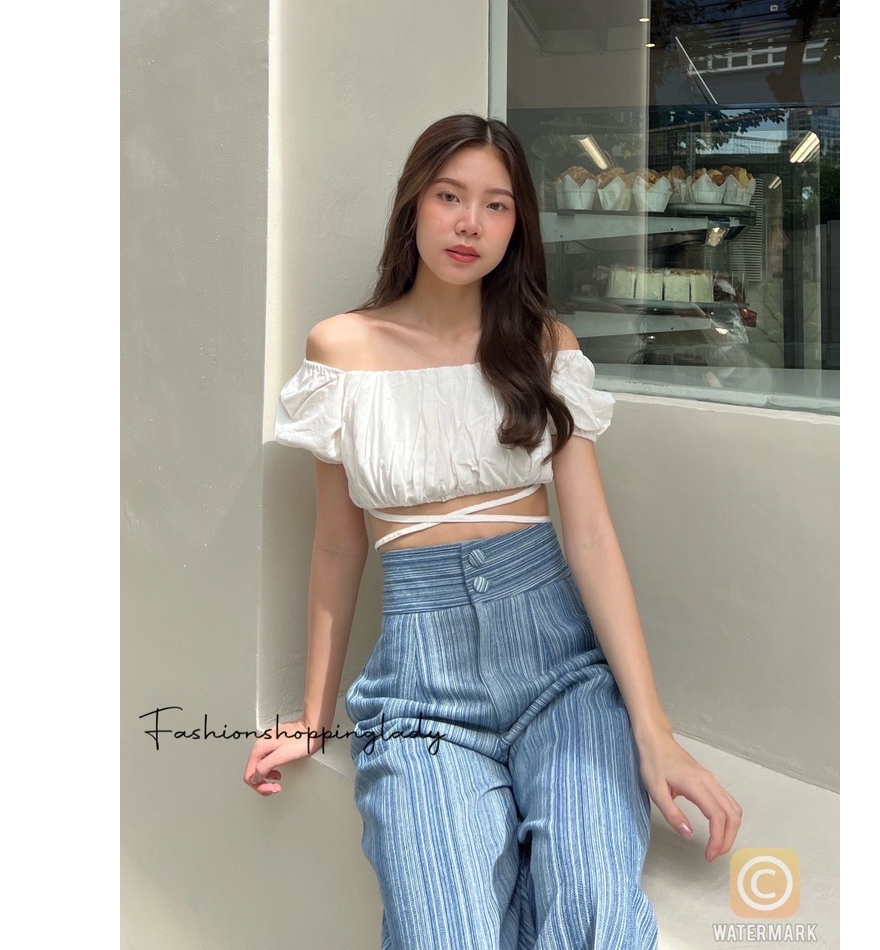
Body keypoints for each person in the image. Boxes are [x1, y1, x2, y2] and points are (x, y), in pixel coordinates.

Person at [243, 113, 742, 950]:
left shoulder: (543, 347)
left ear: (518, 226)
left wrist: (654, 733)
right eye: (450, 196)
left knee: (595, 913)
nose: (470, 222)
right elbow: (337, 544)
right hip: (421, 692)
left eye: (497, 205)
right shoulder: (343, 349)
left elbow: (590, 539)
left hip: (562, 676)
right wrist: (313, 715)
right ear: (413, 204)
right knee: (447, 931)